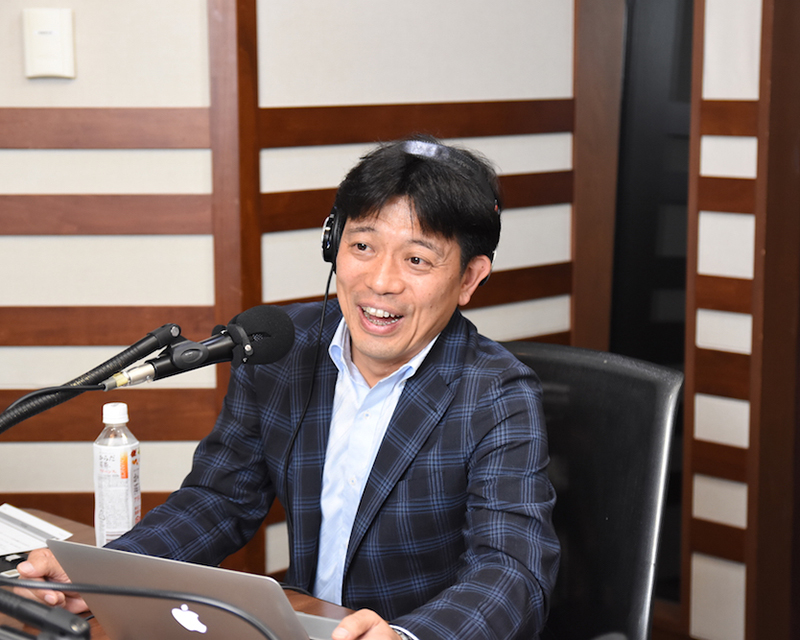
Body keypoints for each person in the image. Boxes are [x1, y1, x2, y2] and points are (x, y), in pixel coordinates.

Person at [16, 136, 560, 639]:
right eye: (362, 246)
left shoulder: (498, 394)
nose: (380, 281)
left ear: (469, 278)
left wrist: (407, 637)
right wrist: (102, 574)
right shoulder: (281, 347)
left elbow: (512, 569)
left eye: (417, 259)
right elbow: (219, 500)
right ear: (332, 244)